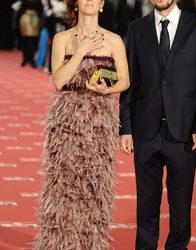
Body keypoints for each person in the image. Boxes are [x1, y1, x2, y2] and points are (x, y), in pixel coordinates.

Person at [119, 0, 196, 249]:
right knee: (146, 204)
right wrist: (126, 128)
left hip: (184, 132)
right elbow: (129, 83)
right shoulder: (136, 29)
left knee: (181, 205)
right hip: (145, 131)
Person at [34, 0, 130, 249]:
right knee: (63, 183)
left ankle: (90, 243)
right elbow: (59, 81)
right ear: (75, 3)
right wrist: (81, 50)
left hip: (100, 120)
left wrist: (106, 87)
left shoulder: (114, 40)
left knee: (94, 183)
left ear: (102, 4)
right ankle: (58, 243)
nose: (90, 0)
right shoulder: (63, 38)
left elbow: (125, 80)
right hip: (66, 121)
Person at [18, 0, 43, 67]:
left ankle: (31, 58)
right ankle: (25, 58)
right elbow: (20, 9)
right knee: (25, 39)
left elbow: (41, 10)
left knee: (33, 39)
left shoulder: (38, 1)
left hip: (35, 20)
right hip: (25, 19)